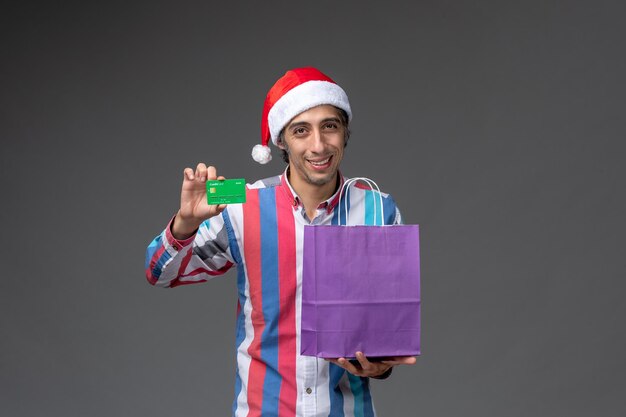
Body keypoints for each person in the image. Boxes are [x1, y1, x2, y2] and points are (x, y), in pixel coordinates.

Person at [145, 67, 416, 417]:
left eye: (329, 126)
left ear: (345, 132)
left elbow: (384, 332)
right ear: (281, 141)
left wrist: (382, 366)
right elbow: (160, 273)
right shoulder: (242, 205)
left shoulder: (380, 210)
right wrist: (186, 223)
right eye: (301, 130)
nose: (318, 145)